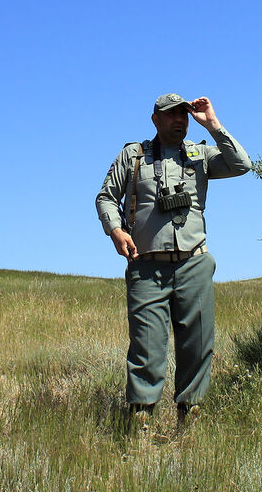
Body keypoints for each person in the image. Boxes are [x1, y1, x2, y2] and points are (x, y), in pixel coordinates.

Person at [95, 93, 252, 431]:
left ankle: (190, 416)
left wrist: (213, 124)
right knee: (147, 346)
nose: (179, 120)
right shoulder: (134, 156)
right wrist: (116, 231)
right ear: (156, 119)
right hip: (147, 266)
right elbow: (106, 197)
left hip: (194, 263)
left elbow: (242, 164)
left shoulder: (201, 155)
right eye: (171, 115)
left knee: (197, 344)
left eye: (184, 114)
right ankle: (141, 420)